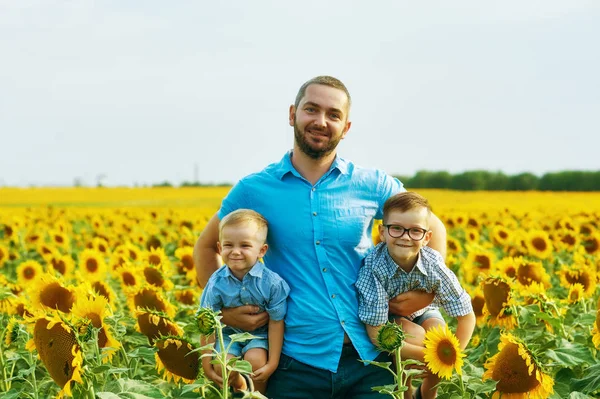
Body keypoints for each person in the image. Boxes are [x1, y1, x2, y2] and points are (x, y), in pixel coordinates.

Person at [194, 75, 448, 398]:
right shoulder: (255, 188)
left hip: (372, 360)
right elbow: (206, 246)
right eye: (311, 110)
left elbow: (433, 228)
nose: (321, 121)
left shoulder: (371, 184)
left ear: (346, 127)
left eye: (333, 115)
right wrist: (222, 313)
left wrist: (424, 291)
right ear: (292, 115)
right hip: (293, 362)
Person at [356, 192, 475, 399]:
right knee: (415, 335)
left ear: (427, 237)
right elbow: (376, 333)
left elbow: (466, 315)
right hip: (387, 320)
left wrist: (449, 357)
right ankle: (407, 392)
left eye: (415, 231)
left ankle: (429, 393)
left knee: (441, 335)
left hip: (424, 310)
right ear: (382, 232)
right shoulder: (373, 268)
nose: (405, 237)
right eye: (396, 228)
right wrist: (427, 356)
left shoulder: (433, 264)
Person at [198, 209, 290, 394]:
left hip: (259, 336)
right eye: (228, 245)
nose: (236, 252)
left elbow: (276, 322)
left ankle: (256, 395)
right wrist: (206, 362)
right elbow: (206, 323)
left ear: (262, 250)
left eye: (245, 246)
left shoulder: (271, 283)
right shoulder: (216, 284)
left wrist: (273, 363)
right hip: (227, 337)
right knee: (223, 365)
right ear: (219, 248)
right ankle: (239, 388)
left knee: (255, 362)